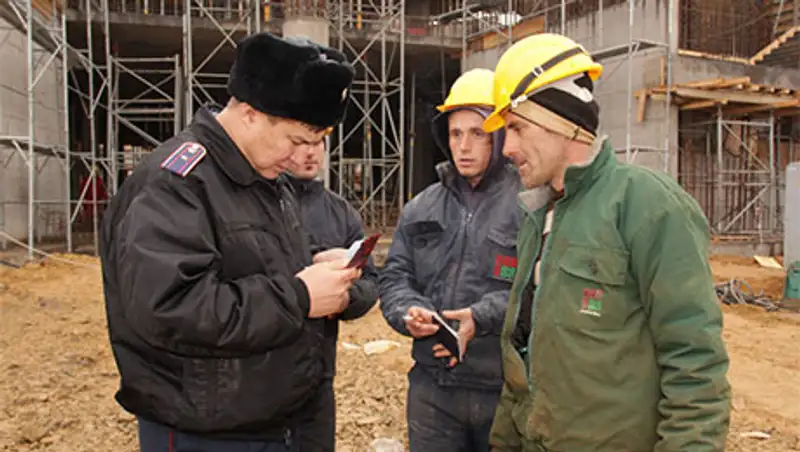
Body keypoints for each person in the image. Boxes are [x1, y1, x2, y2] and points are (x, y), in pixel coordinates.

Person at [98, 32, 358, 452]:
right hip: (205, 433)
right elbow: (169, 307)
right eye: (295, 140)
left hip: (276, 419)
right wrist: (300, 296)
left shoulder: (267, 176)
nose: (300, 158)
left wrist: (312, 265)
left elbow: (249, 265)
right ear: (251, 113)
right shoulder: (175, 182)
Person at [482, 33, 731, 451]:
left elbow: (695, 366)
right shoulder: (537, 216)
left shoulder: (647, 205)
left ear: (560, 122)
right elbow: (520, 353)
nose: (506, 148)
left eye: (516, 128)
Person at [379, 68, 522, 451]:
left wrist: (481, 316)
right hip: (432, 391)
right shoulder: (421, 206)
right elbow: (395, 276)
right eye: (456, 134)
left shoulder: (531, 204)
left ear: (499, 135)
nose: (464, 146)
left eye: (477, 133)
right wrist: (409, 311)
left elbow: (540, 289)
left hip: (503, 390)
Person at [284, 140, 380, 451]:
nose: (310, 153)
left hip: (318, 375)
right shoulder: (260, 203)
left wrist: (344, 298)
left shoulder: (341, 213)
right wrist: (310, 275)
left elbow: (372, 281)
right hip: (263, 375)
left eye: (318, 144)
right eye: (300, 144)